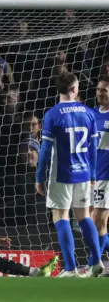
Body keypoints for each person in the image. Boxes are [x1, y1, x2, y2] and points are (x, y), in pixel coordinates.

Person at [36, 72, 104, 277]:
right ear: (74, 89)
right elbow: (93, 146)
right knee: (84, 217)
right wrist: (92, 173)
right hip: (84, 173)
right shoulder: (89, 112)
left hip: (62, 174)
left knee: (61, 216)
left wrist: (39, 177)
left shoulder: (52, 114)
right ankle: (97, 261)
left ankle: (70, 268)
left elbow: (45, 150)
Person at [88, 76, 109, 270]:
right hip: (93, 176)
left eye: (105, 90)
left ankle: (92, 264)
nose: (100, 93)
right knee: (90, 220)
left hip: (107, 177)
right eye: (99, 89)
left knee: (98, 222)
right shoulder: (93, 114)